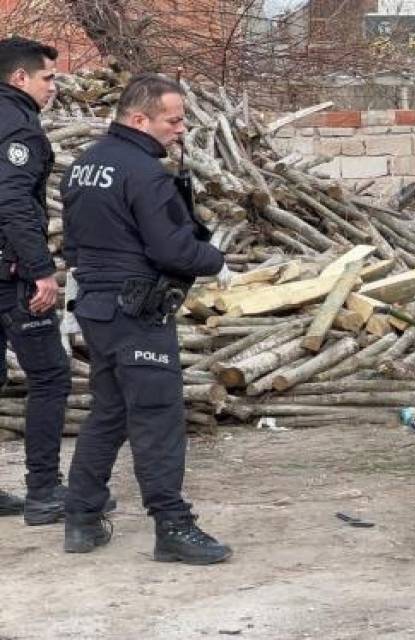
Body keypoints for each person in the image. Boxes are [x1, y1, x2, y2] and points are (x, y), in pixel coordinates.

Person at [61, 74, 232, 563]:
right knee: (157, 416)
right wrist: (214, 261)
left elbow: (74, 244)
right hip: (137, 310)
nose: (181, 129)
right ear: (140, 119)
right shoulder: (145, 173)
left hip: (96, 307)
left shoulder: (84, 166)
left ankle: (82, 518)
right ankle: (173, 527)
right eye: (173, 120)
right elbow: (170, 248)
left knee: (110, 410)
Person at [0, 37, 73, 526]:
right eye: (48, 77)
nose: (54, 87)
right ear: (20, 77)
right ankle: (45, 490)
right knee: (50, 376)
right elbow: (11, 203)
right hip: (11, 276)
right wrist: (40, 270)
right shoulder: (19, 127)